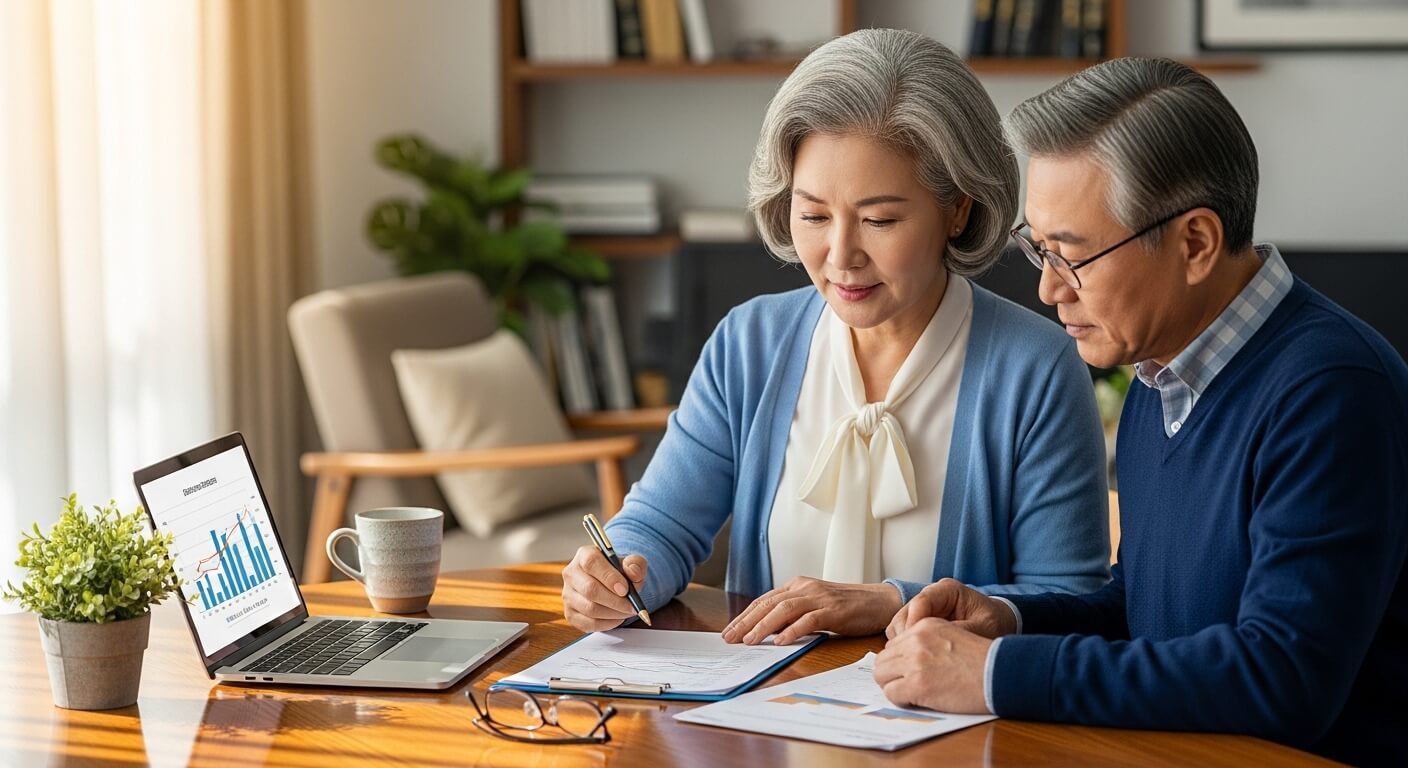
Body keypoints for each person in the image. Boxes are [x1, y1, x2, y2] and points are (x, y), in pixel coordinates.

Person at [874, 57, 1408, 766]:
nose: (1046, 289)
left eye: (1071, 255)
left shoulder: (1333, 391)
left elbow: (1283, 679)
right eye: (1040, 248)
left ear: (1195, 243)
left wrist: (997, 676)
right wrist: (1006, 620)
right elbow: (1145, 609)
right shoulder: (1161, 374)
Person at [560, 29, 1110, 646]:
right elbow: (659, 526)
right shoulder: (749, 343)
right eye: (814, 215)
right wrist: (616, 574)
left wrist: (887, 604)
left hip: (949, 731)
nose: (840, 255)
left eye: (879, 219)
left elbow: (1070, 603)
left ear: (958, 207)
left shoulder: (1036, 367)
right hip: (759, 726)